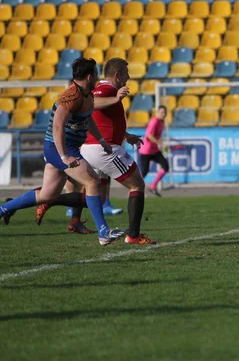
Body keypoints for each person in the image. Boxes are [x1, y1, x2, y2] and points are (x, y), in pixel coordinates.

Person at [0, 58, 125, 246]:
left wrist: (100, 139)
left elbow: (87, 118)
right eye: (96, 75)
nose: (98, 78)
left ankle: (3, 208)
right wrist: (65, 156)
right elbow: (58, 126)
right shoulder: (70, 96)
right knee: (92, 182)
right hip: (60, 149)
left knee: (47, 195)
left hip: (63, 149)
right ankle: (103, 232)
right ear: (90, 76)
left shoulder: (87, 95)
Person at [79, 57, 156, 245]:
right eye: (126, 73)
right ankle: (134, 236)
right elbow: (91, 103)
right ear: (117, 74)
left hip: (91, 147)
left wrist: (127, 136)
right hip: (103, 149)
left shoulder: (104, 88)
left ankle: (48, 199)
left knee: (94, 191)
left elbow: (103, 120)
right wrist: (116, 98)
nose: (128, 77)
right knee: (137, 184)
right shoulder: (108, 89)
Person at [139, 105, 170, 197]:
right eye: (161, 112)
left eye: (164, 112)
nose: (163, 114)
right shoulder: (154, 121)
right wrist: (161, 143)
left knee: (165, 166)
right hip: (146, 150)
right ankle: (134, 189)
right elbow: (149, 136)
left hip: (154, 150)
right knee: (144, 172)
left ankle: (152, 187)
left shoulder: (162, 122)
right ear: (157, 113)